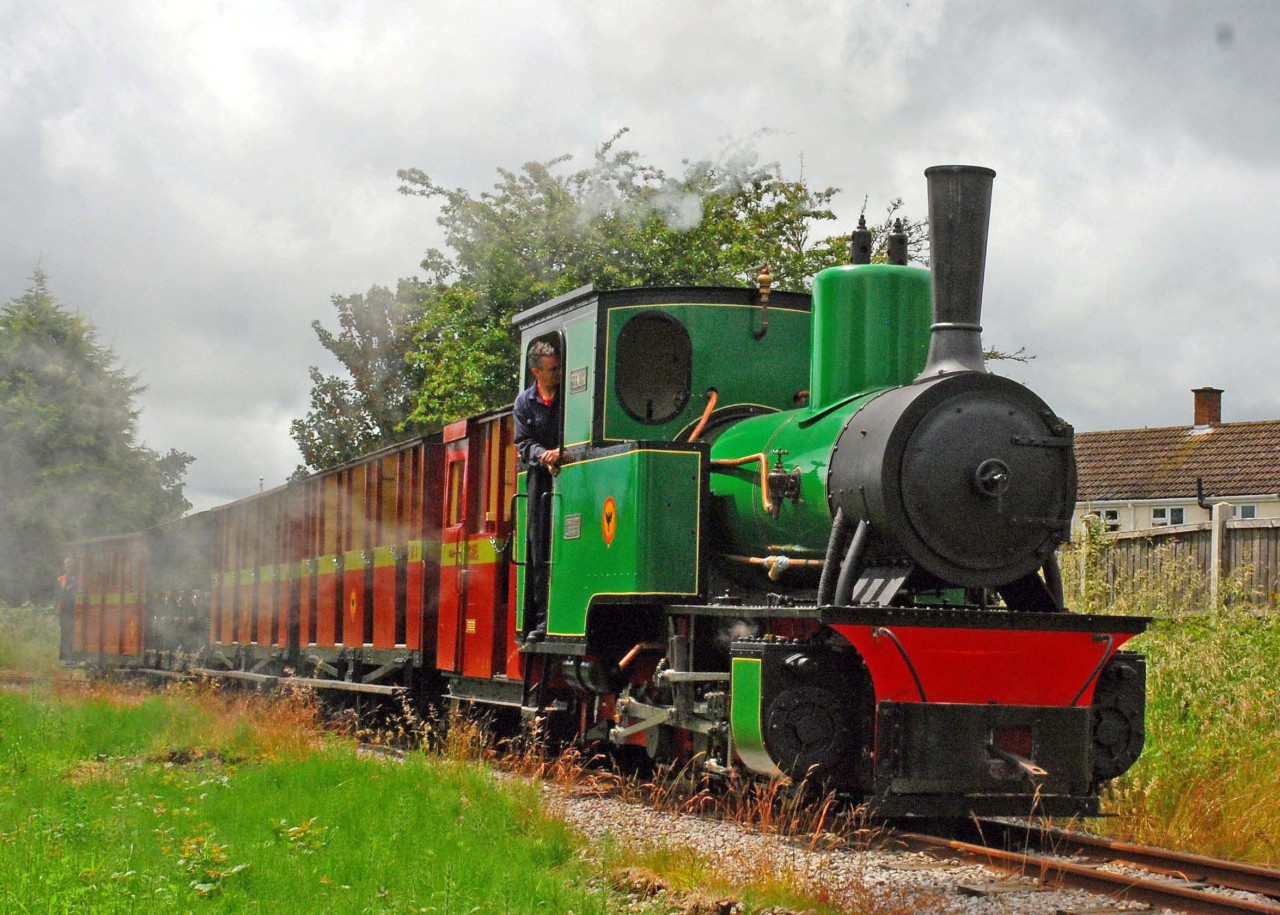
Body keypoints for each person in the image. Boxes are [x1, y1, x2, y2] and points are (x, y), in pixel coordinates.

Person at [513, 340, 562, 642]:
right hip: (540, 479)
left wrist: (562, 452)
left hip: (569, 468)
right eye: (552, 369)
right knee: (539, 547)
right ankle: (542, 618)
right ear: (536, 371)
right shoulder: (524, 403)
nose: (558, 372)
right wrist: (543, 455)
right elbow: (523, 443)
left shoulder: (568, 397)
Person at [55, 557, 75, 661]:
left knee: (73, 632)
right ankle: (64, 657)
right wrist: (57, 609)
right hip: (64, 609)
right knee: (65, 633)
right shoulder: (60, 579)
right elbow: (57, 594)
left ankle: (72, 657)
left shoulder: (78, 578)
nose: (69, 567)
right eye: (67, 565)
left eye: (70, 564)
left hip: (75, 608)